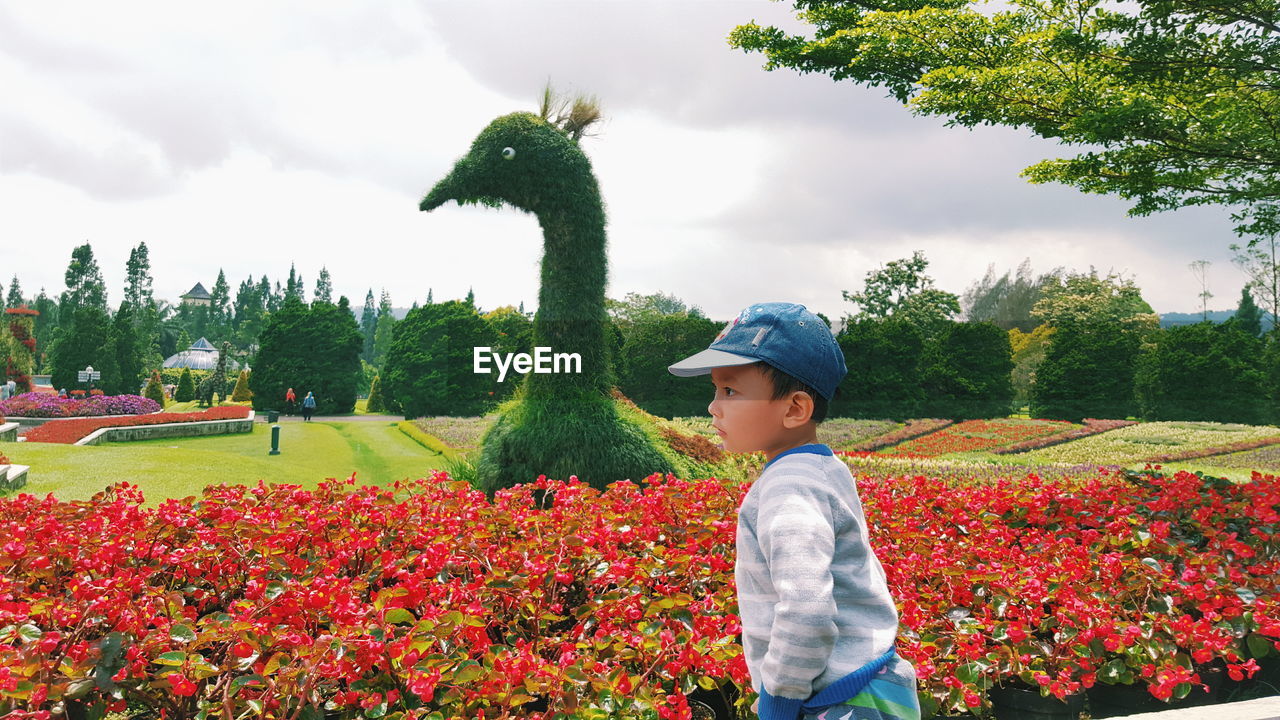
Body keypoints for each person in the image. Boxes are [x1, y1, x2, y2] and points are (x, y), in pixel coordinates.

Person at [668, 302, 919, 720]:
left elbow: (806, 605)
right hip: (865, 680)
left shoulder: (790, 487)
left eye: (730, 391)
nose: (714, 407)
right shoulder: (821, 468)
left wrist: (780, 698)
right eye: (715, 390)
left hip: (836, 700)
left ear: (794, 409)